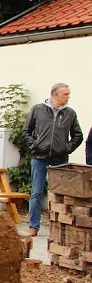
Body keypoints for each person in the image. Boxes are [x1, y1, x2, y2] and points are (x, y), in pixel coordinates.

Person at [21, 83, 84, 237]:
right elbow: (26, 131)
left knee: (61, 194)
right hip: (39, 158)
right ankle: (33, 227)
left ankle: (62, 228)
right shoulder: (38, 109)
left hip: (60, 159)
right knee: (36, 192)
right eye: (66, 94)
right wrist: (34, 146)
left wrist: (66, 148)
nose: (68, 96)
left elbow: (78, 135)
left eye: (68, 94)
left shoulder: (70, 113)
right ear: (55, 95)